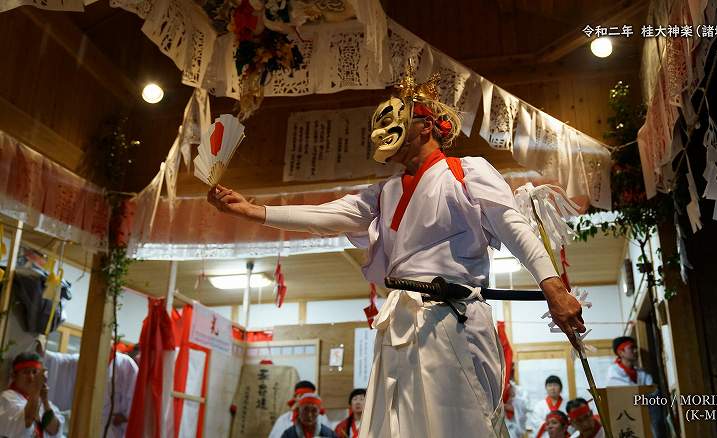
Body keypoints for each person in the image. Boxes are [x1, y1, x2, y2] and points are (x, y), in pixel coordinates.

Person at [208, 70, 585, 437]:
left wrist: (553, 288)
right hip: (401, 321)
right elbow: (327, 215)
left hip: (454, 317)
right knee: (397, 426)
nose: (383, 130)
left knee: (462, 423)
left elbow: (512, 226)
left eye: (397, 117)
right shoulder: (385, 192)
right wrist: (252, 210)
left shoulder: (466, 171)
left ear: (426, 125)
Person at [42, 348, 138, 438]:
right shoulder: (86, 360)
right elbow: (61, 362)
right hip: (84, 424)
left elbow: (136, 404)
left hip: (111, 430)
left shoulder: (125, 364)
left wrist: (126, 418)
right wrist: (44, 355)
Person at [0, 352, 64, 437]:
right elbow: (27, 421)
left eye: (34, 372)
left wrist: (45, 401)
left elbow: (54, 430)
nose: (31, 377)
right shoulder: (7, 398)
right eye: (26, 372)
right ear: (14, 376)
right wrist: (36, 389)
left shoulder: (43, 401)